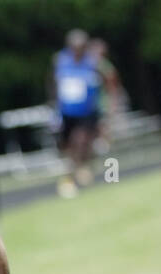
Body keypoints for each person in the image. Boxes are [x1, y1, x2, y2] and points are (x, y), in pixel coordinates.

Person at [51, 29, 111, 197]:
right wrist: (54, 106)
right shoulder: (60, 61)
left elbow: (107, 81)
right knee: (68, 145)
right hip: (67, 111)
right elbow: (53, 84)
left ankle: (81, 169)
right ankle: (75, 171)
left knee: (80, 139)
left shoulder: (93, 62)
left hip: (87, 111)